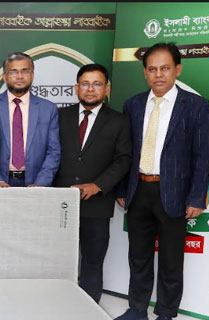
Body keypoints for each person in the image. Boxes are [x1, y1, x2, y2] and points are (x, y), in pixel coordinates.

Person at [114, 42, 209, 320]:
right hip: (138, 190)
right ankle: (137, 308)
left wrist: (196, 197)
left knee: (171, 259)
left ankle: (166, 314)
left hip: (174, 195)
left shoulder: (196, 106)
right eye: (152, 69)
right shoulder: (132, 105)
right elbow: (125, 153)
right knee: (138, 255)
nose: (158, 74)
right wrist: (123, 188)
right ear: (145, 73)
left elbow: (202, 156)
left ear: (177, 69)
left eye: (165, 68)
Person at [53, 64, 131, 303]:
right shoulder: (59, 116)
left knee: (93, 263)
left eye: (97, 84)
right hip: (60, 204)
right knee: (57, 261)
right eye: (85, 84)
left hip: (97, 204)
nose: (90, 89)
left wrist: (97, 186)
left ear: (106, 89)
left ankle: (89, 310)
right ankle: (56, 305)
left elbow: (123, 159)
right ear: (76, 87)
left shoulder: (120, 121)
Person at [0, 52, 61, 188]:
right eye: (13, 72)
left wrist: (40, 183)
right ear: (4, 77)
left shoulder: (48, 109)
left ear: (32, 75)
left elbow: (53, 151)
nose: (20, 76)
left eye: (25, 71)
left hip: (35, 184)